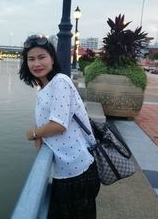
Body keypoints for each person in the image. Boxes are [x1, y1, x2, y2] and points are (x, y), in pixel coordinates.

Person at [19, 34, 101, 219]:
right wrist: (40, 133)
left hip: (78, 171)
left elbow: (58, 125)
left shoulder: (60, 81)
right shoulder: (45, 89)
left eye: (42, 57)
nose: (36, 63)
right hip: (65, 171)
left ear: (52, 59)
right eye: (31, 59)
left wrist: (33, 133)